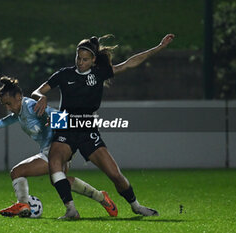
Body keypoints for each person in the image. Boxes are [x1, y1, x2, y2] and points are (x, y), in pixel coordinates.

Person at [31, 34, 175, 219]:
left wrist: (159, 47)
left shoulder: (99, 74)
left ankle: (136, 206)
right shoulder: (64, 74)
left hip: (87, 128)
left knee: (115, 174)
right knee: (54, 163)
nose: (80, 62)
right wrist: (40, 97)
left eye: (85, 59)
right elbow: (36, 91)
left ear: (93, 60)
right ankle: (71, 210)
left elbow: (129, 63)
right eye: (78, 58)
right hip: (64, 125)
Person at [0, 76, 118, 218]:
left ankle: (23, 204)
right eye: (5, 105)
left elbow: (62, 117)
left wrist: (53, 121)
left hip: (56, 148)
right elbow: (12, 118)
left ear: (18, 96)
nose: (8, 108)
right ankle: (101, 197)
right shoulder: (19, 111)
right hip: (53, 148)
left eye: (9, 103)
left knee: (17, 172)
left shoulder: (30, 106)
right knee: (61, 182)